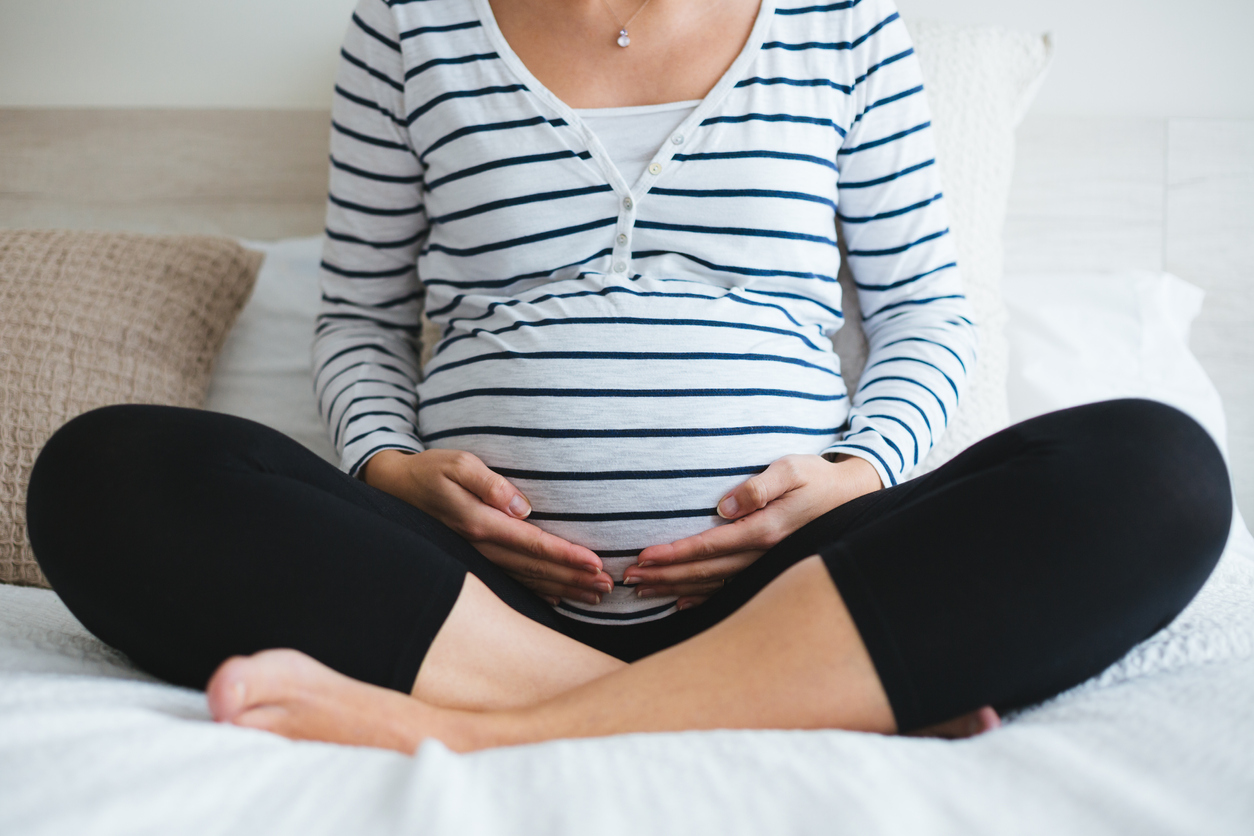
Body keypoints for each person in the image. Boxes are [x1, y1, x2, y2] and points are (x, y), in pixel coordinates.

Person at [26, 0, 1232, 753]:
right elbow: (358, 321)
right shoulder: (408, 28)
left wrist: (856, 469)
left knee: (1160, 468)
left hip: (795, 581)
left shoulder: (843, 26)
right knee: (103, 469)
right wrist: (391, 467)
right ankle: (777, 697)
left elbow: (924, 313)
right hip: (474, 593)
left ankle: (462, 725)